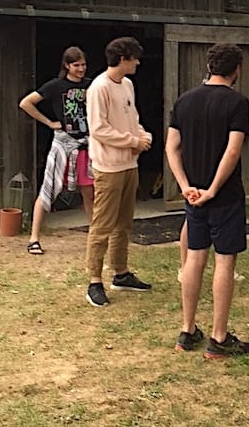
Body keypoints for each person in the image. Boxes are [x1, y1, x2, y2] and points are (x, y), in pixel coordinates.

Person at [165, 43, 249, 359]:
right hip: (224, 197)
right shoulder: (237, 102)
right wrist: (214, 189)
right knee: (225, 261)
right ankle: (218, 338)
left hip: (193, 196)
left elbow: (171, 147)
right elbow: (233, 149)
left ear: (209, 66)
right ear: (236, 70)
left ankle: (187, 330)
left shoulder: (185, 100)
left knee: (194, 257)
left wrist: (185, 186)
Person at [84, 37, 153, 307]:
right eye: (134, 58)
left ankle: (121, 272)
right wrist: (132, 141)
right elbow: (98, 129)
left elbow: (132, 119)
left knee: (124, 223)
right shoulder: (99, 87)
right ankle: (94, 281)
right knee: (102, 225)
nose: (137, 63)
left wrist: (142, 136)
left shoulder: (127, 84)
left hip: (129, 164)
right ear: (122, 59)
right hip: (108, 166)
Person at [176, 119, 249, 283]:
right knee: (202, 220)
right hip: (217, 171)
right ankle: (197, 267)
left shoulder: (194, 109)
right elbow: (247, 128)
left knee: (193, 218)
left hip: (199, 170)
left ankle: (191, 268)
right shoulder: (227, 110)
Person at [19, 46, 92, 255]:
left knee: (89, 192)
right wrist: (49, 122)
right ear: (67, 65)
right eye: (76, 65)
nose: (81, 69)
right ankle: (34, 238)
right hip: (63, 143)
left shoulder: (92, 85)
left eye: (83, 65)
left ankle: (95, 237)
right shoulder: (55, 85)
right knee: (48, 189)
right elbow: (26, 103)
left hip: (86, 144)